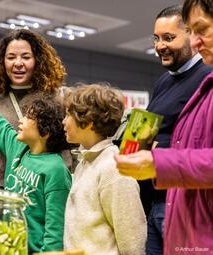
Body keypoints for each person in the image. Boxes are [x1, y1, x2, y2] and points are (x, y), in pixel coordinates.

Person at [115, 0, 213, 253]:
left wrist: (158, 155)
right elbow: (142, 132)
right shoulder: (163, 82)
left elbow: (198, 143)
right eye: (156, 38)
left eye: (169, 37)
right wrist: (129, 146)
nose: (160, 46)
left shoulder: (205, 78)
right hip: (157, 202)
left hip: (186, 202)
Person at [0, 78, 72, 253]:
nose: (20, 121)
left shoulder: (56, 170)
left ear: (45, 132)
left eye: (29, 117)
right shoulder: (18, 147)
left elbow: (55, 226)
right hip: (7, 244)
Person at [0, 29, 67, 188]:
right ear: (2, 62)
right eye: (11, 57)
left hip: (48, 191)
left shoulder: (56, 100)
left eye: (26, 57)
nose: (18, 63)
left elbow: (71, 147)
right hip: (0, 195)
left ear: (38, 60)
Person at [62, 83, 146, 255]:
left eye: (68, 115)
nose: (63, 121)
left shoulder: (114, 168)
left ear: (88, 122)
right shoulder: (86, 162)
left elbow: (132, 241)